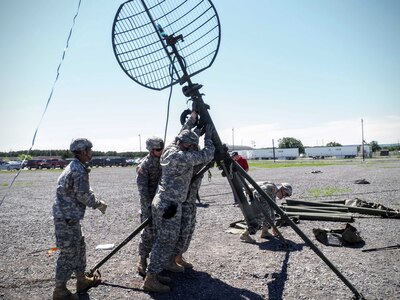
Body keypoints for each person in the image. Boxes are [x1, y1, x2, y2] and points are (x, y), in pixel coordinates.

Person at [142, 112, 215, 293]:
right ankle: (150, 279)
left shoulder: (170, 149)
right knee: (165, 241)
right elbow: (207, 154)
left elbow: (182, 132)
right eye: (191, 146)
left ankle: (156, 272)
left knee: (164, 239)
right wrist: (210, 139)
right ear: (187, 145)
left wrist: (193, 120)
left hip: (164, 202)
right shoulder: (182, 157)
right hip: (170, 205)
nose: (192, 148)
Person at [52, 138, 107, 300]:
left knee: (80, 247)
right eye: (89, 149)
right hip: (66, 218)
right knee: (69, 253)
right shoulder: (78, 170)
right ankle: (60, 290)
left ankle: (81, 280)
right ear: (83, 151)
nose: (91, 152)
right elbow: (82, 194)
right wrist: (98, 204)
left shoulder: (75, 166)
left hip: (70, 218)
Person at [135, 137, 164, 277]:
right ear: (151, 150)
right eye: (159, 149)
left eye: (162, 148)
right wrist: (149, 208)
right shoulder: (144, 165)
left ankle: (158, 263)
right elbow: (143, 190)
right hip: (149, 205)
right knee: (147, 233)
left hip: (161, 203)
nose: (161, 151)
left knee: (162, 234)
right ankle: (142, 260)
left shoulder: (164, 160)